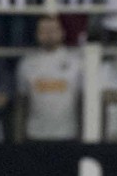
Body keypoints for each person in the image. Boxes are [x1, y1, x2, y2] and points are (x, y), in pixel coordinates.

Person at [14, 14, 82, 142]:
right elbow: (22, 102)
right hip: (35, 134)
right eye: (44, 31)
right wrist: (18, 138)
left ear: (62, 32)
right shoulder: (27, 63)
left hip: (68, 134)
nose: (49, 35)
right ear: (37, 34)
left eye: (53, 30)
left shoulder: (76, 61)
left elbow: (82, 101)